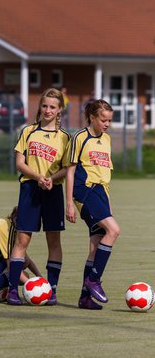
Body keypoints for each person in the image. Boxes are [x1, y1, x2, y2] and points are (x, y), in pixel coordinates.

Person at [7, 87, 70, 306]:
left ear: (60, 109)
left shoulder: (65, 138)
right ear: (39, 107)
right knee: (22, 239)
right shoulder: (28, 132)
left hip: (53, 191)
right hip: (30, 189)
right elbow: (19, 163)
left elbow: (67, 168)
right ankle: (13, 290)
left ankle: (51, 290)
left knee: (53, 240)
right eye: (44, 106)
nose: (48, 110)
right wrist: (39, 177)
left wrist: (52, 178)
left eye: (53, 107)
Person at [65, 99, 120, 310]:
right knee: (114, 231)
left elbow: (105, 175)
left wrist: (109, 205)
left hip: (101, 194)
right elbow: (70, 171)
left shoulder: (106, 139)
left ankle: (85, 298)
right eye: (103, 120)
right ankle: (94, 279)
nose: (107, 124)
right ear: (92, 117)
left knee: (95, 246)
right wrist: (69, 203)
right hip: (85, 190)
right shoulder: (79, 137)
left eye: (109, 120)